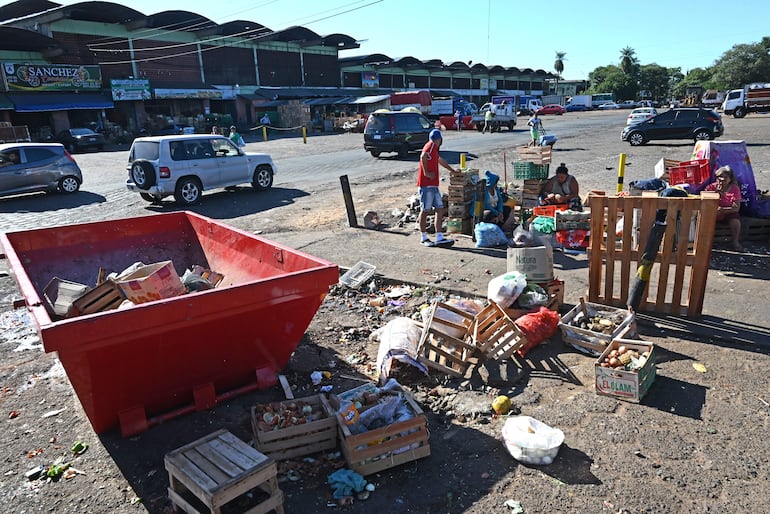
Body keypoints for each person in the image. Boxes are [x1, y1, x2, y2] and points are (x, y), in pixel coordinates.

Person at [417, 128, 457, 247]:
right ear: (438, 139)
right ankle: (423, 237)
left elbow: (440, 160)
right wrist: (426, 173)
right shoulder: (431, 146)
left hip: (433, 185)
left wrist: (452, 170)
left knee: (439, 209)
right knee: (425, 210)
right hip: (427, 185)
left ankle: (439, 236)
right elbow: (423, 156)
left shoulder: (434, 149)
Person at [704, 165, 743, 251]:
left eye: (725, 177)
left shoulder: (734, 189)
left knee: (735, 219)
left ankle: (735, 241)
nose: (722, 179)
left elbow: (736, 208)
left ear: (730, 179)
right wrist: (716, 194)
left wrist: (723, 210)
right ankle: (707, 243)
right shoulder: (710, 187)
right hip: (713, 212)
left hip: (727, 212)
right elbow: (705, 203)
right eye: (719, 177)